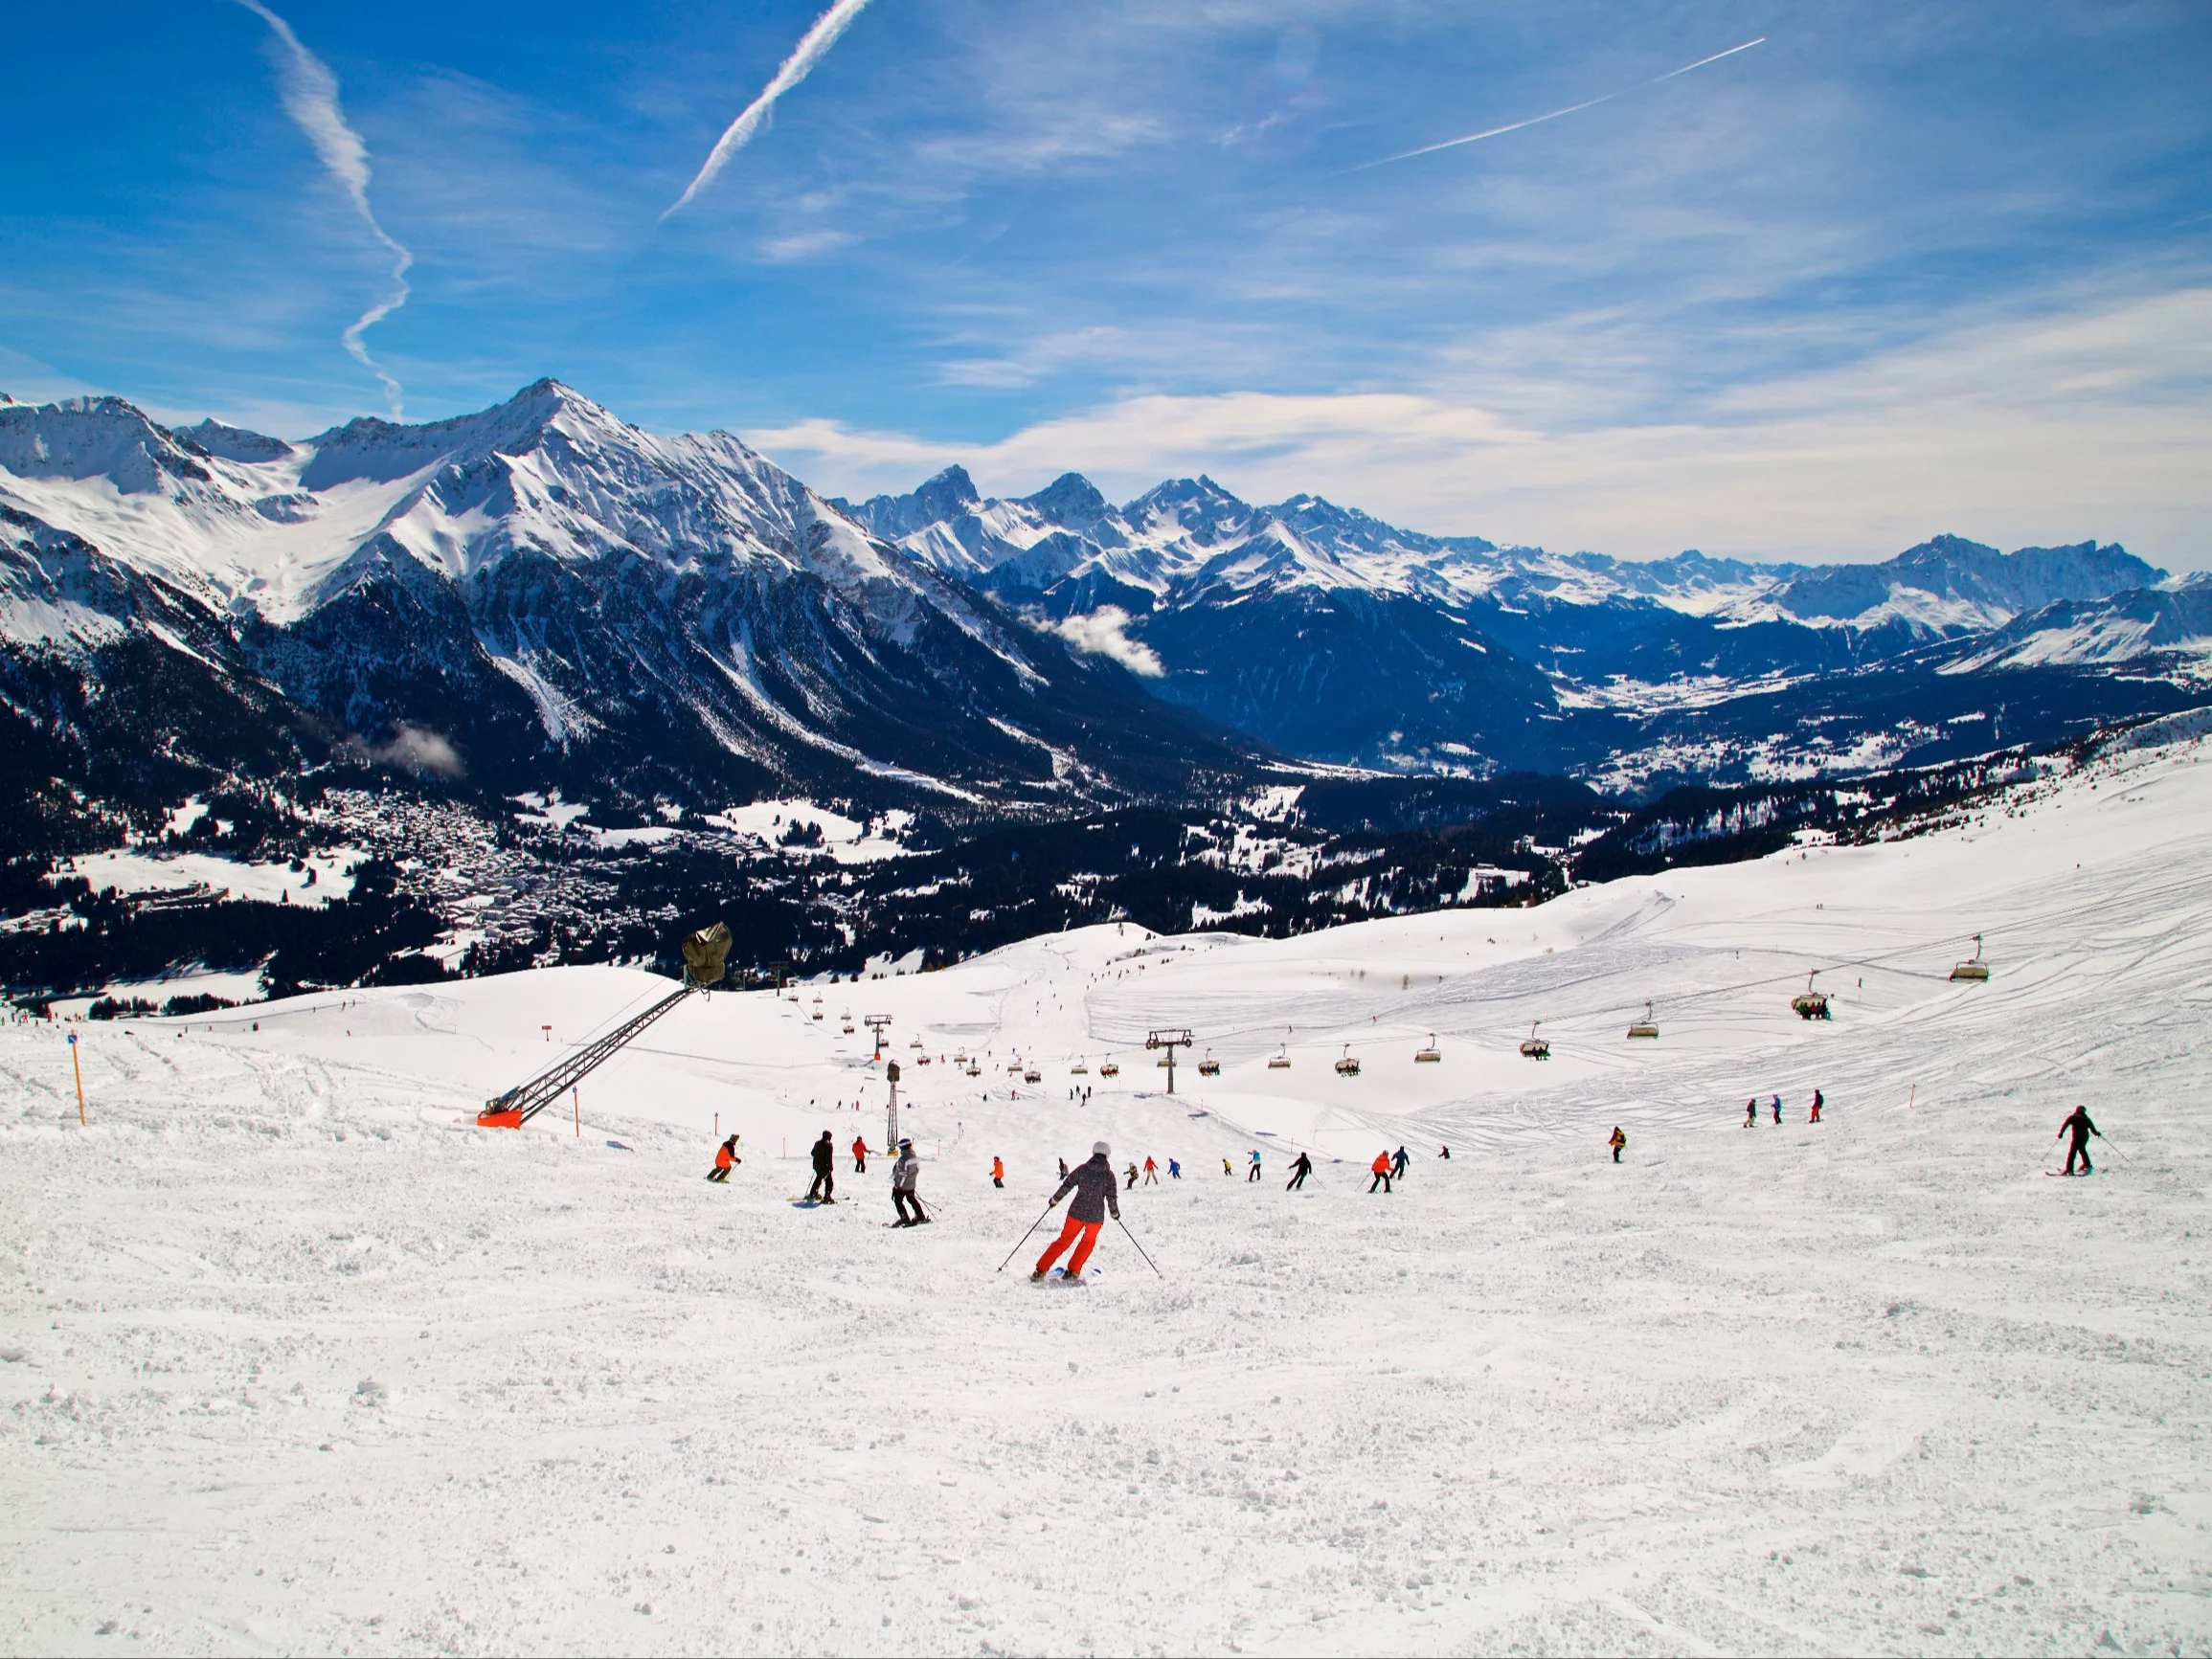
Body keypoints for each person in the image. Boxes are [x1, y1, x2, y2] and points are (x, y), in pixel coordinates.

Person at [1032, 1140, 1119, 1284]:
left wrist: (1055, 1199)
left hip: (1076, 1212)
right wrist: (1114, 1213)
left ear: (1093, 1152)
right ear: (1107, 1155)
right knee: (1087, 1242)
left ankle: (1040, 1270)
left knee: (1064, 1240)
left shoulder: (1083, 1169)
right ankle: (1073, 1271)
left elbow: (1067, 1185)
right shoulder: (1109, 1175)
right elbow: (1111, 1197)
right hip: (1095, 1216)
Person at [892, 1138, 929, 1224]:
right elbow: (917, 1170)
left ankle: (904, 1218)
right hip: (911, 1184)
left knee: (897, 1200)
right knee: (911, 1199)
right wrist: (911, 1179)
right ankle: (920, 1216)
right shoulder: (915, 1157)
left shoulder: (903, 1159)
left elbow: (902, 1175)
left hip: (902, 1186)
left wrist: (898, 1186)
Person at [2059, 1105, 2102, 1176]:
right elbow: (2093, 1129)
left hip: (2076, 1138)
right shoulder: (2087, 1119)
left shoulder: (2073, 1117)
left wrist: (2061, 1133)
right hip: (2084, 1138)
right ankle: (2087, 1164)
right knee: (2082, 1150)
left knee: (2072, 1153)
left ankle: (2069, 1169)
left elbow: (2065, 1125)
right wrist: (2097, 1133)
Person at [805, 1131, 837, 1203]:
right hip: (824, 1166)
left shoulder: (817, 1143)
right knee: (829, 1181)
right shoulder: (829, 1145)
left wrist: (818, 1157)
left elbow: (812, 1153)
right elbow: (829, 1158)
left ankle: (813, 1193)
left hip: (816, 1165)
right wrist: (830, 1167)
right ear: (829, 1137)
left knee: (819, 1177)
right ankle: (827, 1197)